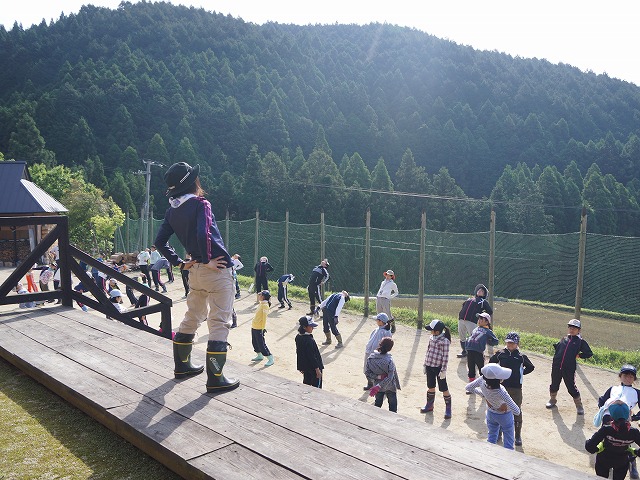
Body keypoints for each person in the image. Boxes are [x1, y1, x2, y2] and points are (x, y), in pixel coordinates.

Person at [154, 161, 239, 392]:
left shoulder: (172, 210)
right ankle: (216, 378)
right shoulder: (202, 204)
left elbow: (159, 242)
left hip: (194, 271)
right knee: (219, 321)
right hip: (216, 270)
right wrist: (207, 259)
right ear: (193, 182)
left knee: (193, 316)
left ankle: (182, 367)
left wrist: (180, 263)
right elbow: (203, 233)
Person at [488, 332, 535, 446]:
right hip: (501, 387)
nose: (510, 344)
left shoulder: (521, 356)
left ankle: (517, 435)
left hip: (516, 388)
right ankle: (498, 432)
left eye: (512, 343)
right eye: (508, 342)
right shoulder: (500, 354)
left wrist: (521, 374)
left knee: (516, 409)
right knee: (500, 408)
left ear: (517, 343)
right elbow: (491, 364)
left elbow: (531, 367)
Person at [596, 365, 640, 479]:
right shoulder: (612, 389)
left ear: (634, 379)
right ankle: (603, 461)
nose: (628, 378)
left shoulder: (636, 392)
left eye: (631, 377)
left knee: (624, 441)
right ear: (620, 376)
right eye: (625, 376)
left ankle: (632, 463)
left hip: (624, 419)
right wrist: (603, 410)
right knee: (606, 439)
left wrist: (634, 418)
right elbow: (602, 400)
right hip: (608, 418)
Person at [466, 364, 521, 450]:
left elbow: (468, 387)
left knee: (491, 437)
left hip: (491, 413)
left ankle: (489, 454)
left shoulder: (482, 380)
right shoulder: (501, 392)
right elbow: (517, 411)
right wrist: (505, 406)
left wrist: (485, 396)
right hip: (504, 416)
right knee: (508, 441)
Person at [546, 318, 593, 414]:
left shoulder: (580, 342)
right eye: (570, 327)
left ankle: (579, 405)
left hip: (569, 368)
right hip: (557, 366)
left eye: (574, 328)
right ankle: (552, 400)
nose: (572, 330)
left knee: (571, 387)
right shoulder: (564, 339)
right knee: (554, 384)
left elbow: (589, 353)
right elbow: (558, 348)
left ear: (579, 330)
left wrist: (579, 355)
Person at [586, 403, 640, 480]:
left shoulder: (606, 429)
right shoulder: (634, 432)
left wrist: (598, 448)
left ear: (611, 416)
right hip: (622, 462)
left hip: (604, 460)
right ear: (628, 415)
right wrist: (635, 451)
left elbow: (589, 446)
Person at [421, 319, 452, 419]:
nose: (430, 331)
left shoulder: (445, 341)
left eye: (431, 330)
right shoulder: (431, 338)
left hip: (439, 368)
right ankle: (429, 405)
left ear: (437, 331)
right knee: (430, 386)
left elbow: (445, 357)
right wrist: (425, 364)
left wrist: (443, 370)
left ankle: (448, 409)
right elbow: (428, 351)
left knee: (443, 388)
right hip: (429, 366)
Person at [457, 283, 493, 358]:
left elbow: (490, 311)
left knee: (474, 338)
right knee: (462, 337)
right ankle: (464, 351)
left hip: (472, 321)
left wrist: (481, 315)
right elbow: (463, 306)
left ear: (484, 294)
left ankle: (476, 354)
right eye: (479, 290)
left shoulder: (483, 302)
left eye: (482, 291)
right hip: (461, 320)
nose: (479, 291)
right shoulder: (469, 299)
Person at [366, 337, 401, 413]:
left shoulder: (370, 358)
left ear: (380, 344)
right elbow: (390, 377)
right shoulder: (389, 360)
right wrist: (379, 386)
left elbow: (367, 373)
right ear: (390, 348)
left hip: (377, 385)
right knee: (393, 408)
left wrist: (377, 378)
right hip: (390, 386)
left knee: (377, 405)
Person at [465, 312, 498, 385]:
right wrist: (467, 344)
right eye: (479, 319)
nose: (479, 320)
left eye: (481, 319)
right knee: (471, 367)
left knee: (481, 369)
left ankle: (484, 384)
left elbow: (496, 341)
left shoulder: (488, 331)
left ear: (486, 322)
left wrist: (489, 342)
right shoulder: (475, 329)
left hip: (478, 352)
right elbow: (471, 336)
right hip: (470, 350)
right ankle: (471, 384)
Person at [363, 313, 393, 390]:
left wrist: (381, 352)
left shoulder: (386, 332)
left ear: (381, 321)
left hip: (378, 355)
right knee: (367, 369)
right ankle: (370, 383)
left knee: (377, 371)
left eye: (377, 320)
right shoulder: (376, 330)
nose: (376, 321)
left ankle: (380, 386)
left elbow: (387, 344)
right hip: (369, 352)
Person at [295, 316, 324, 388]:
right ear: (304, 327)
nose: (312, 328)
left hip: (305, 367)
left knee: (306, 385)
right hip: (314, 369)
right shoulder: (309, 341)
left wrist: (300, 367)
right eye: (311, 326)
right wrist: (317, 370)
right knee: (316, 388)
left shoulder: (298, 337)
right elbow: (312, 356)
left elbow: (299, 353)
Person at [251, 290, 274, 366]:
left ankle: (270, 358)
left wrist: (263, 328)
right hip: (254, 326)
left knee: (261, 344)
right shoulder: (261, 303)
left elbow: (264, 318)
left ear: (263, 296)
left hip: (259, 328)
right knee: (254, 342)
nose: (259, 296)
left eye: (260, 295)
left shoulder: (265, 305)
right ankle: (259, 355)